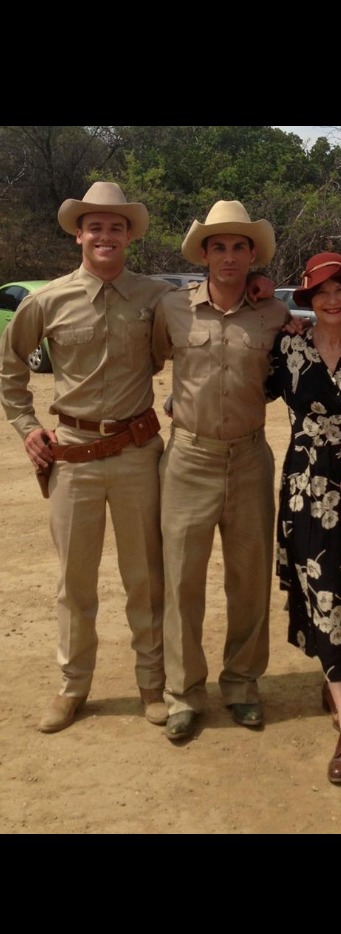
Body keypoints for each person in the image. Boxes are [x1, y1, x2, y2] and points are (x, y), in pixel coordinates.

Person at [0, 181, 173, 733]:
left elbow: (209, 316)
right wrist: (26, 426)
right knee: (74, 584)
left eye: (116, 226)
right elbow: (10, 373)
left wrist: (266, 291)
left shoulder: (155, 296)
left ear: (129, 235)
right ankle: (73, 687)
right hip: (71, 457)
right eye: (95, 226)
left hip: (136, 453)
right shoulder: (44, 301)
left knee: (144, 576)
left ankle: (152, 683)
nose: (105, 234)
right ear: (79, 234)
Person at [151, 199, 290, 741]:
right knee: (181, 580)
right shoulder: (173, 308)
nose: (229, 256)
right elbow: (144, 363)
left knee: (249, 579)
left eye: (239, 246)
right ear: (204, 253)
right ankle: (183, 693)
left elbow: (326, 316)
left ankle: (242, 685)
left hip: (250, 457)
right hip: (188, 458)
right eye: (219, 246)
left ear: (252, 254)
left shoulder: (273, 313)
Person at [266, 252, 341, 784]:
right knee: (326, 591)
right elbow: (245, 380)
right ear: (309, 302)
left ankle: (336, 676)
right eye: (321, 293)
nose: (332, 299)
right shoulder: (288, 343)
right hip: (306, 491)